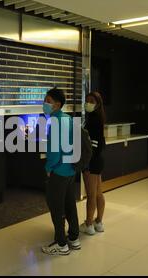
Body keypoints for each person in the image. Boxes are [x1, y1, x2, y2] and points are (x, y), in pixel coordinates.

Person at [41, 88, 80, 256]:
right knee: (70, 204)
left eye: (48, 100)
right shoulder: (68, 119)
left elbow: (54, 152)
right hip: (71, 170)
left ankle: (61, 244)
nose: (45, 103)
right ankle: (74, 238)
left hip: (59, 171)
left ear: (57, 104)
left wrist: (49, 168)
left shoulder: (56, 122)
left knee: (56, 207)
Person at [80, 91, 106, 235]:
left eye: (91, 101)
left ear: (97, 104)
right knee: (98, 193)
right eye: (87, 100)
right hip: (98, 160)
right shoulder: (99, 118)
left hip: (92, 161)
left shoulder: (93, 120)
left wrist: (87, 161)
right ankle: (99, 222)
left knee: (91, 194)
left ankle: (89, 224)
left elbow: (93, 144)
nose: (88, 103)